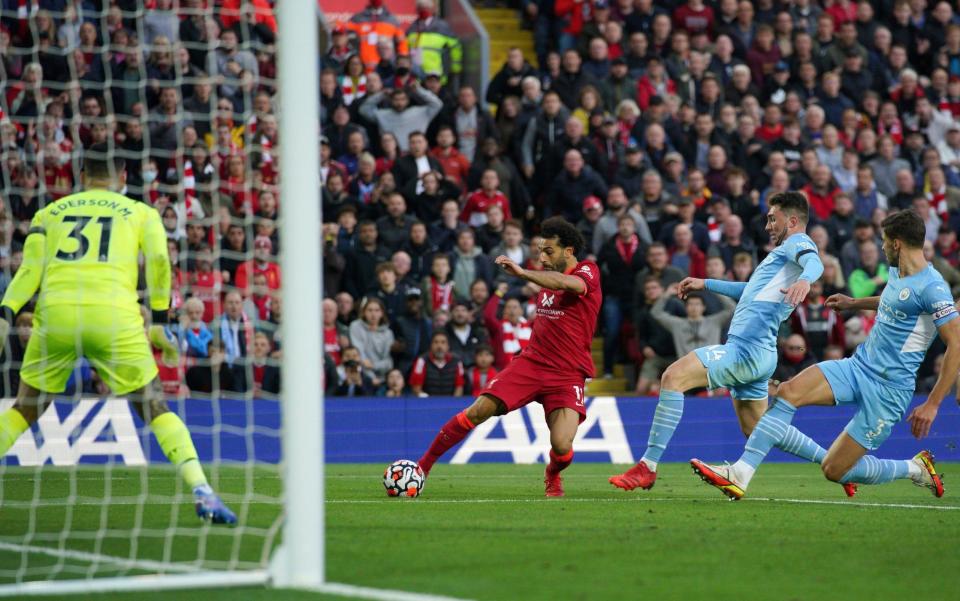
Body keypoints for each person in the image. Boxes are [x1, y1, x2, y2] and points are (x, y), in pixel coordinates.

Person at [0, 146, 235, 524]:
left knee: (24, 411)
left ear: (80, 175)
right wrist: (158, 321)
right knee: (155, 408)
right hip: (114, 317)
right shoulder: (142, 213)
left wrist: (6, 313)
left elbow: (30, 270)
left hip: (57, 314)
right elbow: (159, 261)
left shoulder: (48, 213)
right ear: (124, 177)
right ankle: (202, 490)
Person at [692, 210, 957, 500]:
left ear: (897, 244)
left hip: (889, 391)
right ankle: (741, 473)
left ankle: (915, 469)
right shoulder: (898, 271)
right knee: (788, 391)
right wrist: (853, 303)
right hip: (858, 367)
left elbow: (955, 344)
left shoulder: (933, 288)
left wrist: (932, 403)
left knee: (834, 469)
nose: (881, 247)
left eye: (883, 241)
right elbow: (895, 301)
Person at [610, 192, 851, 496]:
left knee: (673, 376)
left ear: (791, 221)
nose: (767, 225)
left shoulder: (797, 243)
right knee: (758, 429)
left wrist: (807, 279)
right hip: (760, 353)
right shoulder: (781, 259)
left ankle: (647, 466)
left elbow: (813, 262)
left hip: (746, 350)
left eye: (772, 218)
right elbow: (750, 290)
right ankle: (835, 463)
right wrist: (706, 283)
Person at [415, 217, 602, 497]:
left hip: (567, 373)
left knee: (562, 445)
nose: (541, 257)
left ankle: (552, 472)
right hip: (531, 364)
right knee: (477, 411)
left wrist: (523, 273)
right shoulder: (547, 282)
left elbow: (569, 284)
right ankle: (421, 468)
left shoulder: (588, 270)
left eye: (548, 251)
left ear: (569, 251)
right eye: (539, 250)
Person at [409, 331, 465, 396]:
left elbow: (459, 387)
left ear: (448, 346)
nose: (439, 346)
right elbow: (416, 388)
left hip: (451, 403)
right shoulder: (421, 361)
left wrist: (454, 403)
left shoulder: (457, 361)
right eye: (436, 342)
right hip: (427, 402)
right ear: (431, 345)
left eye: (443, 342)